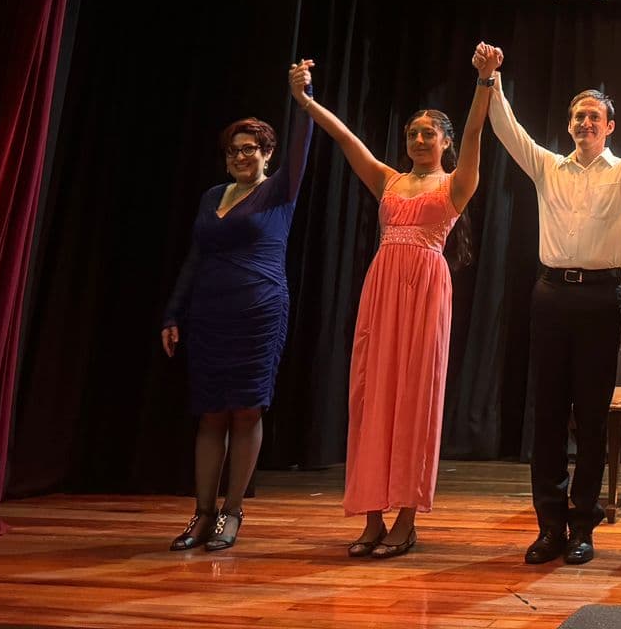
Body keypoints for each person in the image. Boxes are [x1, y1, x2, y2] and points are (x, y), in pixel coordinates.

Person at [480, 44, 621, 566]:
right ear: (569, 125)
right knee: (547, 414)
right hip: (551, 296)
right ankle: (549, 526)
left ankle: (583, 524)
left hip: (598, 298)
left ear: (610, 126)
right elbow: (508, 131)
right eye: (577, 115)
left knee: (590, 416)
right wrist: (492, 79)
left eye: (594, 116)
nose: (584, 122)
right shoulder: (548, 167)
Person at [297, 53, 490, 558]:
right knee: (372, 394)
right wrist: (305, 99)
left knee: (414, 399)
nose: (420, 140)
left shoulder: (455, 185)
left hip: (426, 289)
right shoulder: (388, 179)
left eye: (429, 133)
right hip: (382, 289)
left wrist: (484, 82)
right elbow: (346, 139)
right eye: (413, 133)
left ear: (444, 141)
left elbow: (474, 137)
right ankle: (370, 518)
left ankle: (406, 519)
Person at [160, 61, 315, 552]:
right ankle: (202, 514)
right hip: (209, 313)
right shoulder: (211, 197)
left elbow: (302, 145)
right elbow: (194, 256)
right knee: (209, 414)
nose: (241, 155)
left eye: (250, 148)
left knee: (245, 411)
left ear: (267, 152)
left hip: (258, 312)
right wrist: (172, 312)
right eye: (233, 150)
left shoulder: (279, 191)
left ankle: (232, 512)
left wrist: (302, 98)